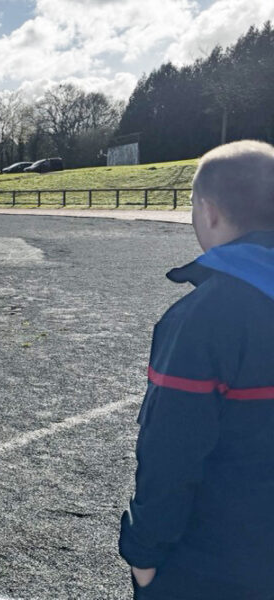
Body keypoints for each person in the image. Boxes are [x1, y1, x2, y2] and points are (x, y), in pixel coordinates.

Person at [120, 140, 274, 599]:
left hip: (219, 563)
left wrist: (143, 555)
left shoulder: (206, 318)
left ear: (208, 211)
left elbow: (172, 452)